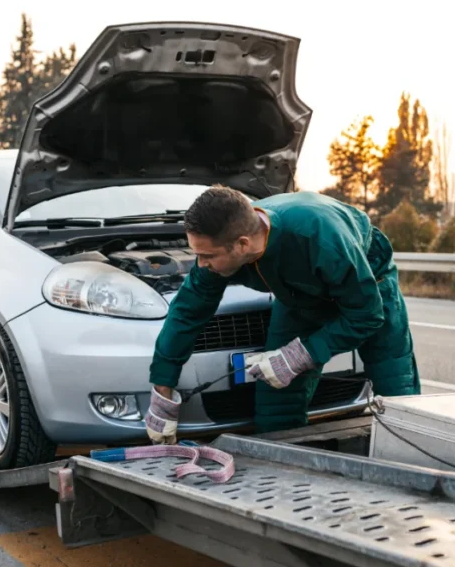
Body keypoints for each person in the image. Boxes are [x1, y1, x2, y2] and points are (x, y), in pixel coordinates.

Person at [144, 186, 421, 445]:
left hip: (369, 285)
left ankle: (412, 462)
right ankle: (286, 470)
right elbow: (186, 313)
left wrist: (301, 355)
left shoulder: (321, 239)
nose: (201, 265)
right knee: (276, 398)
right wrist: (162, 390)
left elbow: (367, 315)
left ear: (242, 244)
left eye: (207, 256)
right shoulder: (225, 243)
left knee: (394, 384)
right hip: (299, 295)